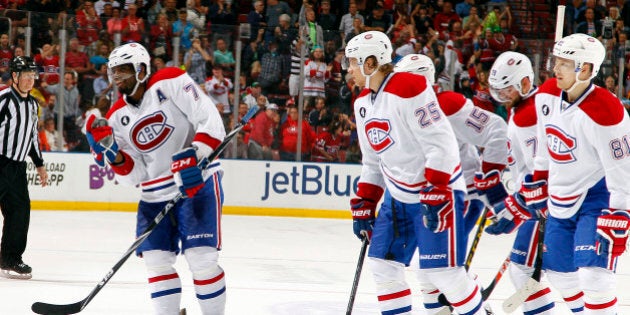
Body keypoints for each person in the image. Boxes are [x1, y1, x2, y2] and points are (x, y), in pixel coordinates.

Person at [345, 31, 489, 315]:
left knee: (442, 274)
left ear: (370, 63)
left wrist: (435, 189)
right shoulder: (362, 103)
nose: (347, 69)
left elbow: (442, 145)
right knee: (383, 266)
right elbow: (373, 160)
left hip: (435, 194)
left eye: (352, 62)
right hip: (397, 198)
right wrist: (365, 201)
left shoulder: (409, 88)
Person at [85, 43, 227, 314]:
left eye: (124, 71)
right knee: (156, 260)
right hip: (154, 194)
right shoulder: (115, 117)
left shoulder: (170, 80)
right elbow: (135, 175)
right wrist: (113, 155)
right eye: (114, 72)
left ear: (141, 69)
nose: (117, 78)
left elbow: (210, 121)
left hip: (196, 183)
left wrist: (195, 154)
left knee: (201, 259)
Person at [530, 33, 630, 314]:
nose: (555, 69)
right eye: (556, 62)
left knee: (594, 278)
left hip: (596, 196)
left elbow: (621, 168)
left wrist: (620, 212)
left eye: (564, 63)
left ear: (585, 69)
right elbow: (543, 142)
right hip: (560, 198)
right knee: (561, 275)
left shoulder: (607, 111)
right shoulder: (547, 93)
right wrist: (539, 179)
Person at [394, 53, 508, 237]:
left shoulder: (446, 105)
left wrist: (491, 176)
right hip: (430, 197)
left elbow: (498, 130)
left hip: (457, 198)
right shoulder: (399, 111)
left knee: (441, 265)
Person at [483, 51, 558, 314]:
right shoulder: (523, 109)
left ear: (525, 83)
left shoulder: (529, 115)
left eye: (507, 90)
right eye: (498, 92)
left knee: (525, 271)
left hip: (541, 206)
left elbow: (539, 172)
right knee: (526, 272)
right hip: (534, 203)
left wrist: (518, 209)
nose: (502, 97)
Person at [0, 56, 49, 279]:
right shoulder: (3, 99)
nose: (30, 80)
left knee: (20, 212)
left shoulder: (32, 105)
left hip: (18, 168)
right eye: (26, 76)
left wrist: (39, 165)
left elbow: (32, 137)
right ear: (15, 77)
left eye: (33, 76)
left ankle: (10, 259)